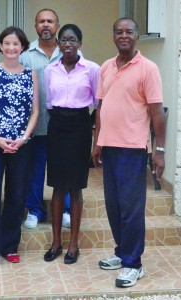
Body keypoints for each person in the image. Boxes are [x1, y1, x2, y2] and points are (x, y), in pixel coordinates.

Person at [92, 18, 166, 288]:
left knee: (131, 210)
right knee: (114, 206)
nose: (124, 35)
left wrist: (159, 151)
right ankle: (122, 253)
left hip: (133, 149)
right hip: (109, 147)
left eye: (129, 32)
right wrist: (97, 142)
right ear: (113, 36)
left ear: (137, 36)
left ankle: (134, 264)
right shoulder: (106, 67)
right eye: (119, 32)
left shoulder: (148, 68)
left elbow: (157, 112)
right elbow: (101, 107)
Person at [0, 26, 39, 272]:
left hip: (21, 145)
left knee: (16, 194)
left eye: (16, 44)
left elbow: (35, 111)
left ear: (22, 47)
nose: (11, 48)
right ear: (0, 47)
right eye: (7, 43)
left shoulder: (30, 74)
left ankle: (10, 246)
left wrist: (23, 138)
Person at [43, 24, 100, 264]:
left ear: (80, 43)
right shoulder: (49, 70)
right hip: (56, 125)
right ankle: (56, 242)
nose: (68, 44)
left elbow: (99, 104)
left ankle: (73, 244)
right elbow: (48, 102)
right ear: (58, 43)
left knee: (75, 186)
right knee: (57, 186)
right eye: (64, 40)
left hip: (80, 126)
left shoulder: (92, 69)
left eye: (73, 39)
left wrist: (97, 138)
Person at [20, 8, 71, 229]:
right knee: (35, 170)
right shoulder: (26, 55)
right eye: (41, 21)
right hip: (36, 125)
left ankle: (67, 209)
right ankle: (35, 210)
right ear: (35, 26)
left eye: (50, 21)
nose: (46, 25)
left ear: (57, 25)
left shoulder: (70, 51)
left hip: (63, 125)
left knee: (63, 169)